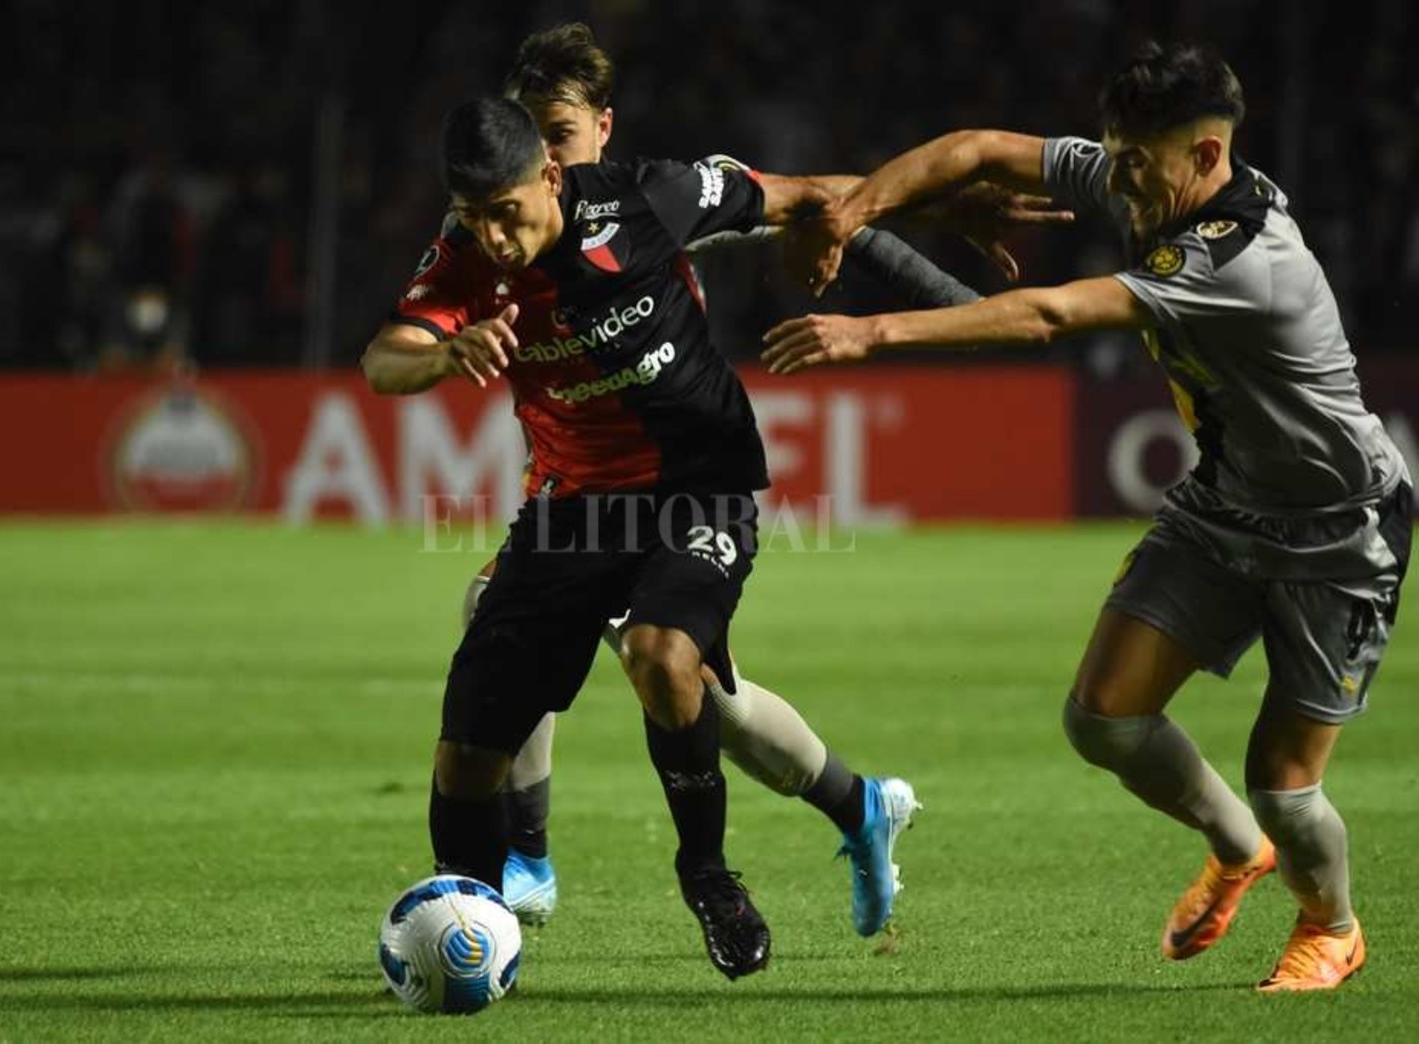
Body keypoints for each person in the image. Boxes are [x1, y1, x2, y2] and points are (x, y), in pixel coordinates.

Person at [764, 41, 1411, 992]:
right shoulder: (1146, 175)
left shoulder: (1242, 259)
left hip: (1338, 531)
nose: (1119, 178)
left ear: (1203, 157)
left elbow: (1052, 317)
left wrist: (872, 329)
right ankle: (1235, 849)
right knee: (1102, 719)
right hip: (1224, 508)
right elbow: (981, 149)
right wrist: (853, 215)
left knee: (1285, 781)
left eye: (1136, 163)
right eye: (1112, 154)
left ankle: (1332, 927)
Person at [362, 93, 869, 979]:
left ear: (550, 177)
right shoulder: (461, 257)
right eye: (473, 216)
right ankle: (475, 928)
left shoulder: (646, 199)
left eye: (507, 213)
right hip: (573, 508)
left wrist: (886, 208)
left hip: (697, 488)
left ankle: (706, 876)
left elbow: (801, 193)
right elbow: (382, 358)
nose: (493, 236)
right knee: (466, 754)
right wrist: (442, 354)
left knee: (661, 653)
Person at [459, 22, 933, 938]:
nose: (537, 152)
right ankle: (531, 856)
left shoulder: (652, 198)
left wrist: (884, 228)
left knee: (697, 692)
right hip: (574, 488)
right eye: (525, 132)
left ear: (601, 127)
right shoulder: (498, 222)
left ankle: (854, 805)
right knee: (533, 634)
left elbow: (807, 197)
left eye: (555, 132)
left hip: (671, 484)